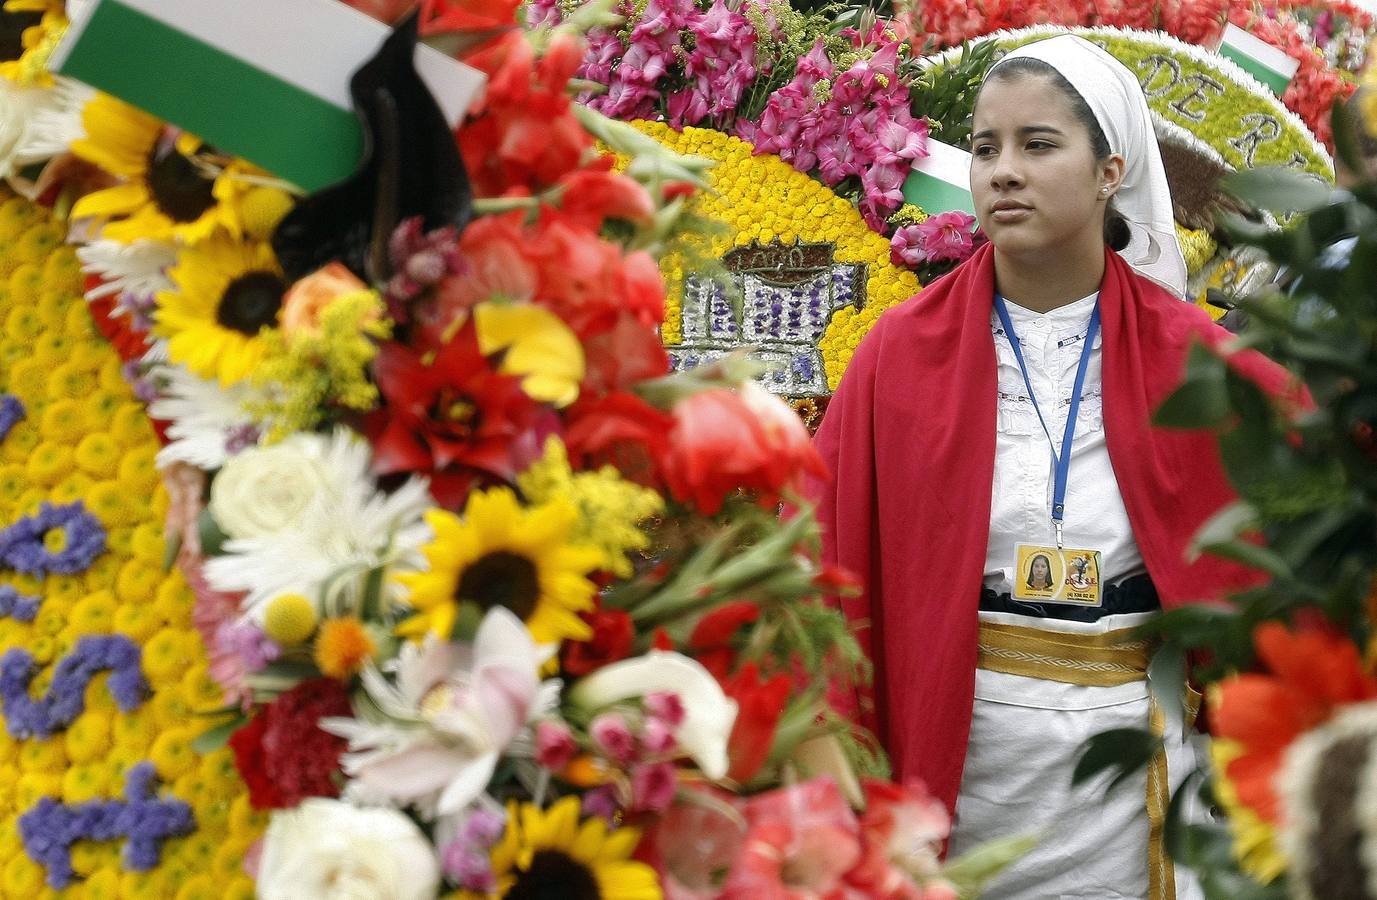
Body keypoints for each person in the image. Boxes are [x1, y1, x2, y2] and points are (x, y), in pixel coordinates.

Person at [812, 35, 1299, 899]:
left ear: (1110, 171)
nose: (1003, 171)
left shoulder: (1196, 362)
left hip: (1133, 771)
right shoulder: (900, 351)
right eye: (985, 147)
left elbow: (1310, 496)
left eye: (1037, 145)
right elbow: (815, 555)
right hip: (951, 752)